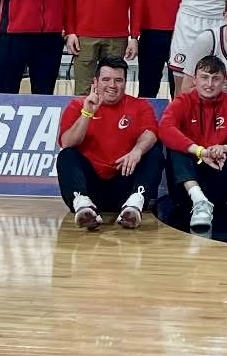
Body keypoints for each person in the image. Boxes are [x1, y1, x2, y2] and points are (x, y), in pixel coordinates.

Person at [159, 55, 227, 230]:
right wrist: (200, 151)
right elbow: (165, 128)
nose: (209, 84)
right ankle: (199, 201)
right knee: (176, 147)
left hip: (221, 170)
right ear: (195, 80)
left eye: (215, 79)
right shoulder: (183, 101)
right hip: (189, 180)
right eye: (204, 77)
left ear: (224, 82)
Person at [57, 56, 163, 229]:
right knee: (66, 155)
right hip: (92, 187)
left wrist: (137, 151)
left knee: (154, 151)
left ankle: (134, 206)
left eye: (118, 80)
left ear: (125, 82)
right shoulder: (77, 105)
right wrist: (87, 113)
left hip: (125, 183)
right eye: (106, 79)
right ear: (95, 81)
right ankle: (83, 206)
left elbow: (150, 133)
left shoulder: (140, 105)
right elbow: (67, 143)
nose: (112, 85)